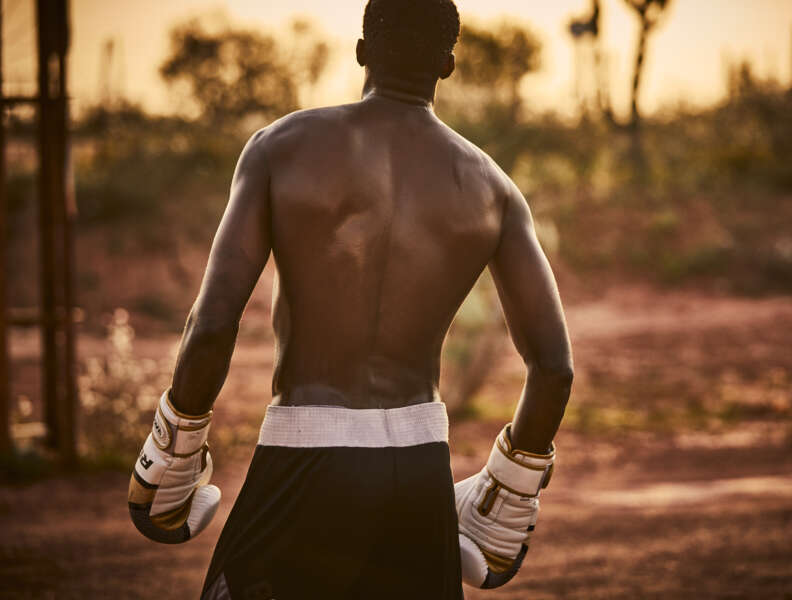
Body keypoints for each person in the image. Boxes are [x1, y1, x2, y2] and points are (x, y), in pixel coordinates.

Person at [125, 0, 573, 598]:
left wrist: (175, 446)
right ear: (448, 63)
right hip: (418, 476)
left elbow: (210, 326)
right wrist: (511, 487)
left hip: (305, 461)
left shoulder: (278, 149)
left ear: (362, 50)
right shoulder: (493, 188)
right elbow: (554, 368)